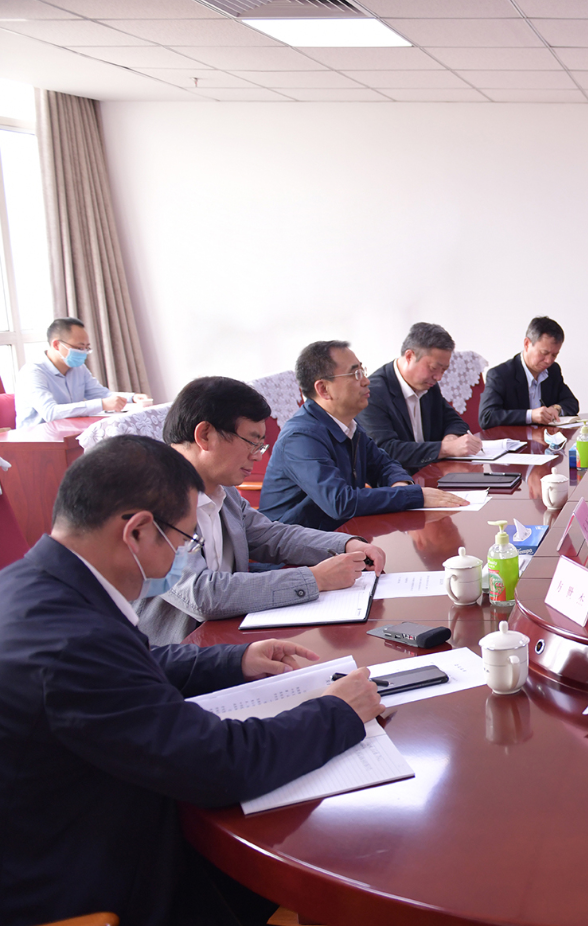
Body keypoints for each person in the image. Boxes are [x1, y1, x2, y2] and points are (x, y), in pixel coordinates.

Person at [0, 434, 383, 926]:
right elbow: (220, 763)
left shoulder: (36, 582)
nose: (182, 556)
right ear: (137, 531)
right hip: (82, 873)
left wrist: (233, 662)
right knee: (334, 848)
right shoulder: (73, 643)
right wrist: (337, 712)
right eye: (184, 541)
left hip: (75, 810)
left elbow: (134, 664)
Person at [138, 376, 390, 645]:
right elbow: (201, 594)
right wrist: (315, 579)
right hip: (178, 653)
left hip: (229, 635)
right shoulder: (149, 499)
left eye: (261, 445)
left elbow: (269, 535)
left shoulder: (221, 488)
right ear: (205, 435)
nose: (257, 456)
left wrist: (346, 544)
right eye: (252, 442)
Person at [260, 340, 467, 531]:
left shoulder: (348, 425)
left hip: (341, 537)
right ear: (323, 389)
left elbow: (384, 465)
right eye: (355, 374)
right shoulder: (301, 438)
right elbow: (340, 502)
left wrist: (401, 485)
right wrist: (410, 496)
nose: (366, 381)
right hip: (295, 551)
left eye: (363, 371)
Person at [356, 322, 481, 473]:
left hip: (431, 473)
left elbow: (454, 421)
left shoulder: (429, 385)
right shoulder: (372, 394)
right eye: (434, 368)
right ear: (409, 356)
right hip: (396, 480)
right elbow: (386, 450)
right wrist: (445, 448)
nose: (439, 377)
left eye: (444, 370)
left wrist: (450, 438)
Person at [14, 316, 150, 429]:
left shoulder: (78, 368)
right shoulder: (33, 372)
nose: (83, 353)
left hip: (69, 431)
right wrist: (101, 404)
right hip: (37, 440)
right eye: (79, 348)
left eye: (86, 348)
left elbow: (102, 394)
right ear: (56, 345)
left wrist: (132, 398)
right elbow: (50, 413)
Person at [478, 315, 579, 429]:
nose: (549, 360)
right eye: (544, 353)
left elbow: (572, 402)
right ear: (527, 344)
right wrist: (530, 416)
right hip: (515, 439)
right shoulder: (500, 375)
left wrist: (555, 408)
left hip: (545, 438)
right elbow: (487, 417)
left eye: (554, 355)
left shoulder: (553, 370)